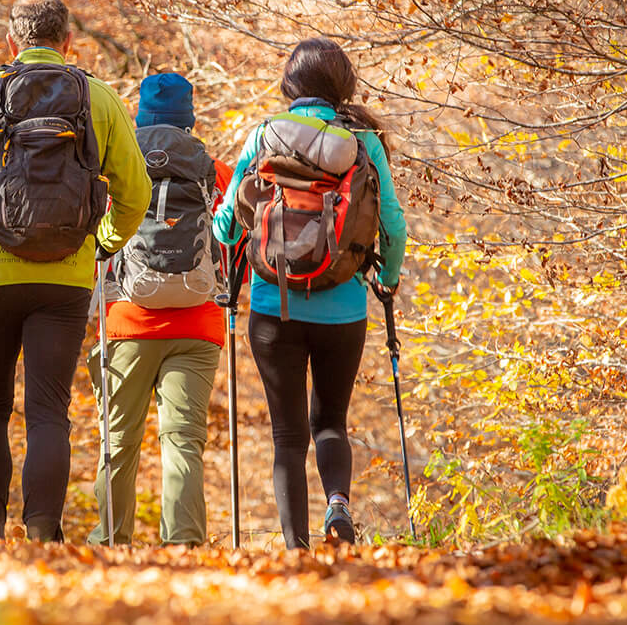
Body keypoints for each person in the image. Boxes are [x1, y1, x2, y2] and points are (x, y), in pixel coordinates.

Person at [0, 0, 151, 542]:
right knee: (49, 409)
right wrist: (102, 242)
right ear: (68, 43)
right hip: (65, 278)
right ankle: (43, 530)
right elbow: (135, 193)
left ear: (12, 42)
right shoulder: (97, 98)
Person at [212, 37, 406, 547]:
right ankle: (338, 508)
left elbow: (227, 226)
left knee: (287, 435)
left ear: (290, 84)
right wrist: (387, 279)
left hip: (275, 307)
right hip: (343, 308)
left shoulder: (264, 136)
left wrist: (244, 236)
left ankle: (294, 547)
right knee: (331, 422)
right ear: (342, 85)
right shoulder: (363, 142)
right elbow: (393, 227)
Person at [88, 73, 231, 546]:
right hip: (199, 325)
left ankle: (109, 543)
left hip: (127, 323)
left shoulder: (114, 169)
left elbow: (95, 236)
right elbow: (235, 242)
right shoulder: (216, 171)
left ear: (140, 118)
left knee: (118, 442)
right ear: (189, 119)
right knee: (184, 441)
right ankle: (185, 545)